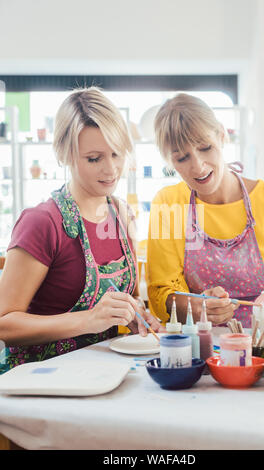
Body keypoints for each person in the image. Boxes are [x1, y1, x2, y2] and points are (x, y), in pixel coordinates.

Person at [0, 87, 162, 369]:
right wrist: (88, 320)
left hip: (101, 372)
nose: (111, 169)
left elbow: (128, 296)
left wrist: (136, 313)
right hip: (39, 377)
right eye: (94, 158)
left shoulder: (122, 214)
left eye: (116, 154)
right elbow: (4, 324)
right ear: (65, 154)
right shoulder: (42, 223)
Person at [147, 93, 264, 328]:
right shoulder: (167, 203)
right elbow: (160, 294)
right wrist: (194, 306)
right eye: (182, 158)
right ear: (170, 161)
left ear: (221, 135)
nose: (198, 166)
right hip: (201, 346)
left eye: (205, 148)